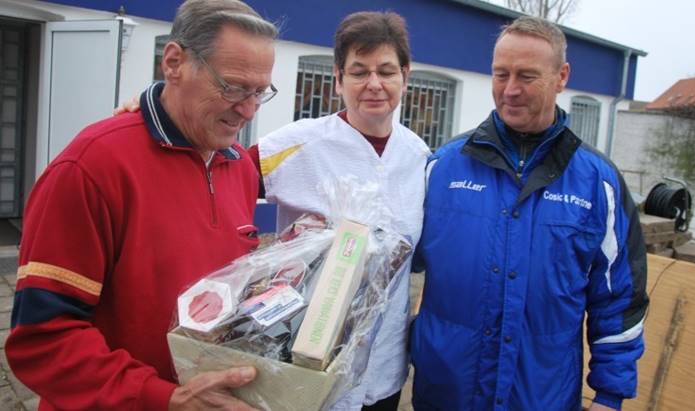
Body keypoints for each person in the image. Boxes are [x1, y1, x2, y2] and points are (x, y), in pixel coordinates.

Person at [5, 1, 278, 409]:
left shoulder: (237, 166)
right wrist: (165, 398)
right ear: (174, 63)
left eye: (260, 92)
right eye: (234, 87)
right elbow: (42, 340)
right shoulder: (92, 166)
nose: (249, 109)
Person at [409, 16, 649, 411]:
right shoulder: (443, 169)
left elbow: (620, 298)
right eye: (500, 74)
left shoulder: (597, 182)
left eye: (527, 76)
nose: (510, 90)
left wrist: (610, 394)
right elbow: (393, 263)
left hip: (542, 395)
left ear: (562, 76)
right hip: (445, 391)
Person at [253, 12, 429, 411]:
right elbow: (211, 174)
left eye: (386, 71)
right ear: (338, 78)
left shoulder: (419, 156)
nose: (374, 84)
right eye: (359, 71)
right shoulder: (295, 145)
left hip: (384, 370)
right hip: (304, 364)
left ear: (405, 75)